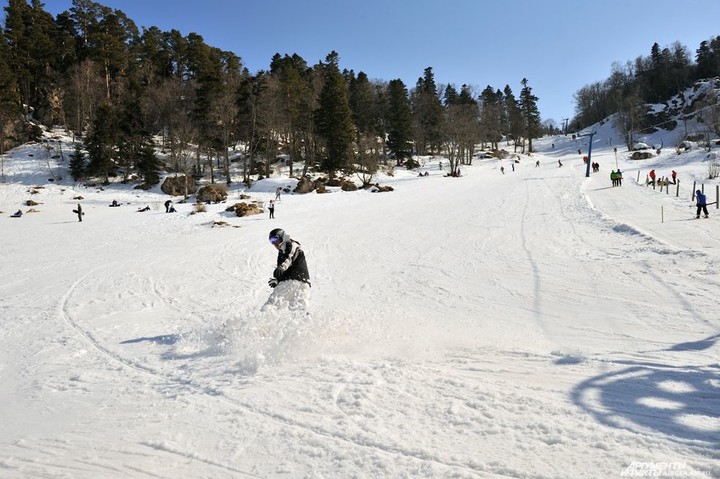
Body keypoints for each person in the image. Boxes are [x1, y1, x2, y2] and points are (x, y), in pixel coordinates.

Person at [265, 228, 311, 311]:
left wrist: (281, 267)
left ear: (282, 237)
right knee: (298, 311)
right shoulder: (283, 249)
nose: (274, 243)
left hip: (293, 280)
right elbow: (288, 265)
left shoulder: (289, 244)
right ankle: (307, 322)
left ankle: (260, 320)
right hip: (304, 282)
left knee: (272, 304)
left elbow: (289, 256)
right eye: (271, 241)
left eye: (275, 239)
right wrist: (278, 280)